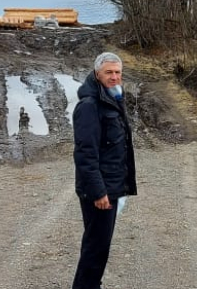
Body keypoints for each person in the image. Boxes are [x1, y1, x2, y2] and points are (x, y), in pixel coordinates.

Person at [72, 52, 138, 289]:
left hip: (112, 186)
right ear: (97, 73)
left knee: (99, 247)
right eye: (109, 72)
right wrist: (99, 192)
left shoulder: (112, 98)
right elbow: (85, 154)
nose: (114, 77)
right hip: (100, 191)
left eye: (118, 72)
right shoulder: (90, 105)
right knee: (95, 249)